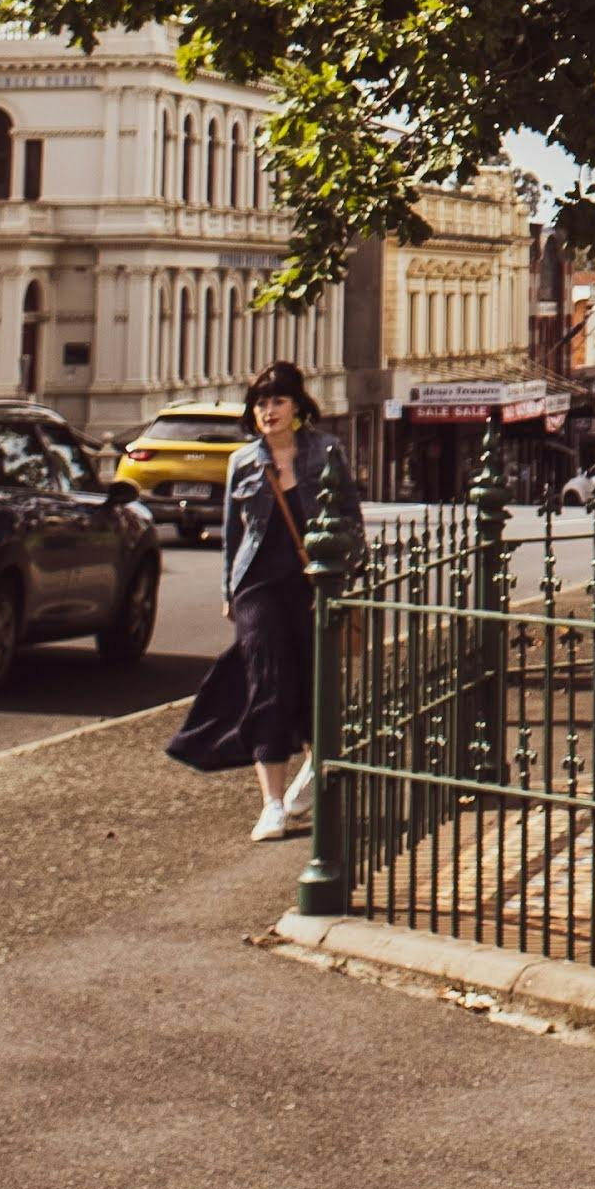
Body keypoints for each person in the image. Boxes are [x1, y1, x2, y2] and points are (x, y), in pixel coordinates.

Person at [166, 360, 347, 842]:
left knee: (315, 684)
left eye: (278, 401)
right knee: (268, 681)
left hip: (313, 585)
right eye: (261, 403)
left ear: (297, 407)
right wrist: (229, 590)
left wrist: (349, 584)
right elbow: (231, 533)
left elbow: (350, 523)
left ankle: (313, 771)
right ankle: (271, 804)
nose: (269, 411)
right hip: (257, 588)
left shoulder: (327, 452)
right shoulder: (242, 462)